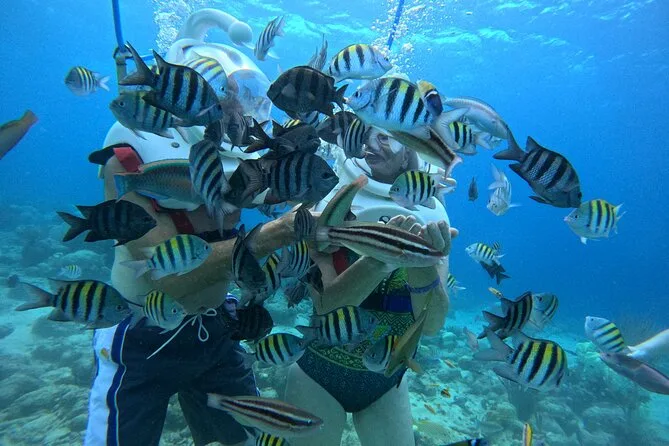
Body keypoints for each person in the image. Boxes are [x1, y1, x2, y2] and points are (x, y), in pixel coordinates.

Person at [84, 11, 296, 446]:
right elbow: (167, 275)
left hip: (216, 327)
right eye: (230, 96)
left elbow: (297, 197)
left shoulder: (238, 161)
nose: (242, 110)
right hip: (141, 333)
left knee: (244, 441)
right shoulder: (129, 157)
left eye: (249, 96)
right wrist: (277, 233)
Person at [284, 127, 457, 446]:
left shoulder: (432, 215)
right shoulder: (331, 207)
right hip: (317, 375)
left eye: (384, 137)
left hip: (385, 383)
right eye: (365, 135)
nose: (370, 144)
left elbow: (432, 324)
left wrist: (421, 261)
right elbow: (327, 309)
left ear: (408, 151)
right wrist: (383, 258)